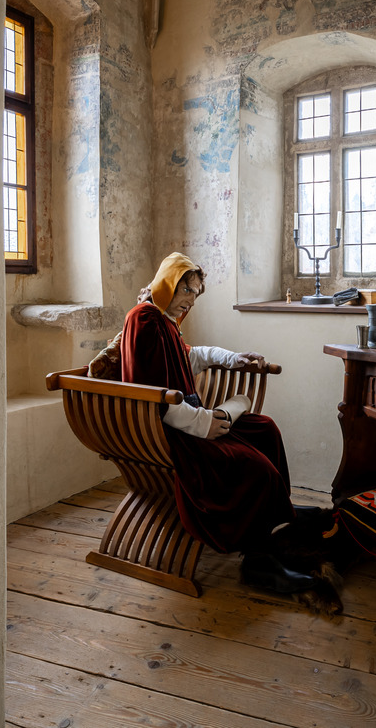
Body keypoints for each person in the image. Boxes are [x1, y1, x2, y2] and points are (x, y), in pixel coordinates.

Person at [120, 251, 317, 594]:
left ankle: (278, 513)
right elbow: (154, 397)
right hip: (173, 434)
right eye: (187, 291)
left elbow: (190, 355)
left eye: (196, 294)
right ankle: (259, 561)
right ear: (168, 284)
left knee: (264, 428)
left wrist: (233, 358)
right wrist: (205, 422)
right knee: (255, 468)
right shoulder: (145, 320)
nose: (191, 301)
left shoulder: (162, 320)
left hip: (188, 420)